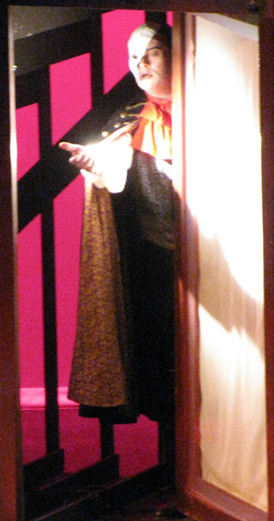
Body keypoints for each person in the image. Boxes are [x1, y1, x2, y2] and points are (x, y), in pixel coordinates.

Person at [59, 22, 177, 428]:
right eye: (133, 56)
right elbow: (113, 168)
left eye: (152, 53)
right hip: (152, 256)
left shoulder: (207, 106)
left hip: (209, 256)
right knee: (158, 356)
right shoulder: (131, 116)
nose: (141, 64)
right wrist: (95, 165)